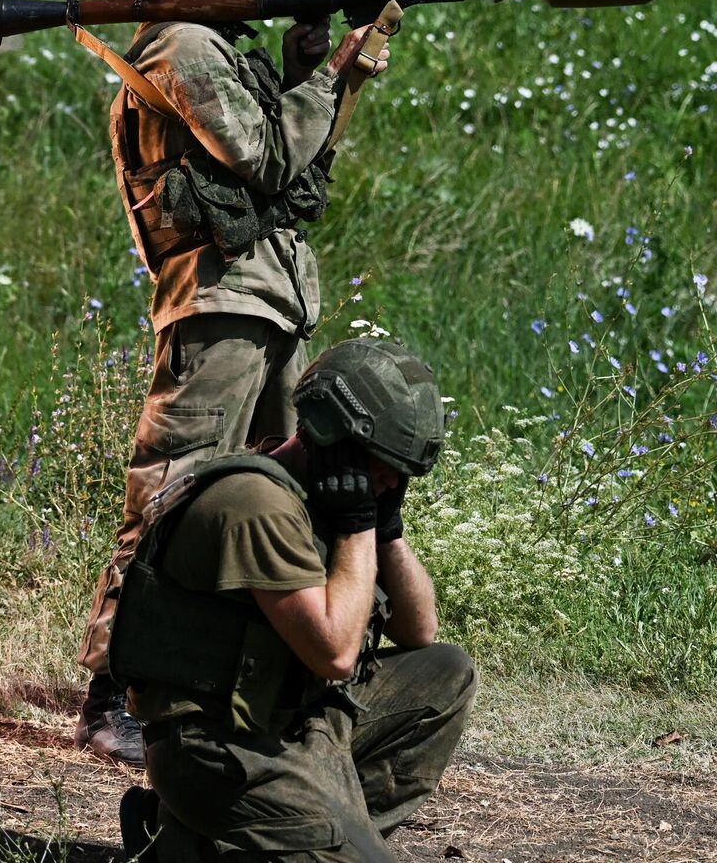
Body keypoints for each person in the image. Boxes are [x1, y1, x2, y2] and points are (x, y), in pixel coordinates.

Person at [75, 0, 393, 766]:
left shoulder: (219, 47)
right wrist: (333, 76)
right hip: (218, 304)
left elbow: (282, 172)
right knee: (174, 486)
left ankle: (241, 682)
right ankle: (113, 692)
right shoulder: (181, 46)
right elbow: (257, 152)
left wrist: (306, 66)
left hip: (265, 297)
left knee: (271, 503)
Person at [109, 338, 476, 860]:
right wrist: (356, 526)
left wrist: (386, 525)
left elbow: (419, 632)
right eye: (382, 465)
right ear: (333, 437)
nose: (392, 480)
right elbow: (334, 654)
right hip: (222, 748)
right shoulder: (256, 505)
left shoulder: (322, 491)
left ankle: (230, 841)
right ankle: (200, 840)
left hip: (294, 716)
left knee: (445, 672)